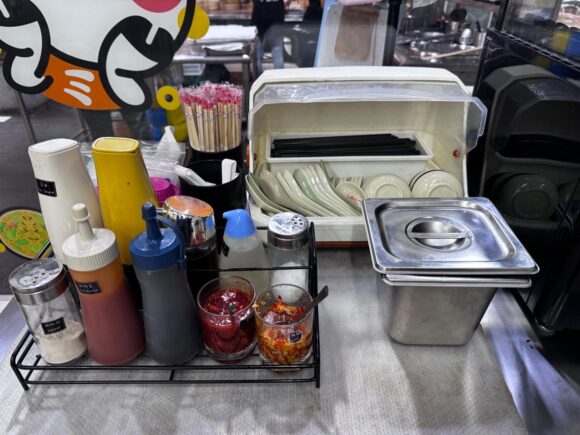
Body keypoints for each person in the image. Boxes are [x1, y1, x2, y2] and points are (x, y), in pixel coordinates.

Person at [252, 0, 286, 75]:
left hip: (260, 18)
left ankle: (257, 77)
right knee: (277, 49)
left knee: (258, 52)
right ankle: (279, 77)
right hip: (276, 17)